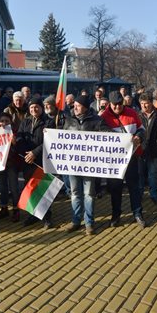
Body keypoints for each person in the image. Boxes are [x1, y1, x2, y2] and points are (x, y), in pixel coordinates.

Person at [62, 95, 112, 235]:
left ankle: (89, 223)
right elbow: (61, 137)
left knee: (89, 194)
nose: (75, 107)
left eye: (78, 105)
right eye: (74, 105)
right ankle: (76, 221)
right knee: (75, 193)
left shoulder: (97, 120)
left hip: (90, 165)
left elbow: (108, 136)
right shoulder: (69, 120)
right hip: (72, 164)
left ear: (85, 107)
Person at [100, 91, 146, 228]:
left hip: (131, 157)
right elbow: (101, 133)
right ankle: (116, 215)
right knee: (115, 189)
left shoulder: (132, 113)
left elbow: (142, 129)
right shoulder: (103, 117)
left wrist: (139, 136)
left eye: (120, 104)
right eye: (115, 105)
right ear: (109, 104)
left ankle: (138, 213)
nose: (118, 107)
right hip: (113, 160)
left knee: (134, 187)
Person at [17, 97, 53, 229]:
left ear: (42, 108)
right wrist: (26, 153)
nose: (34, 109)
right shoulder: (25, 121)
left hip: (42, 160)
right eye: (31, 107)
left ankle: (47, 217)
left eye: (36, 107)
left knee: (43, 189)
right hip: (28, 161)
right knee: (31, 189)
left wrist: (34, 152)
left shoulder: (48, 122)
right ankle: (33, 215)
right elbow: (20, 136)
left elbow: (49, 141)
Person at [0, 112, 21, 223]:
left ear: (10, 122)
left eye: (6, 121)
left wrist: (14, 142)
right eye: (2, 121)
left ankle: (16, 209)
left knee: (14, 188)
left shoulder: (15, 131)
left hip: (11, 164)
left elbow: (20, 146)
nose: (4, 123)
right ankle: (4, 208)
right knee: (2, 187)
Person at [138, 93, 157, 204]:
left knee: (153, 174)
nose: (144, 106)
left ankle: (154, 194)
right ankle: (139, 195)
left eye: (146, 104)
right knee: (139, 174)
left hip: (154, 149)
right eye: (142, 104)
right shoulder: (138, 115)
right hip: (141, 149)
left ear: (151, 103)